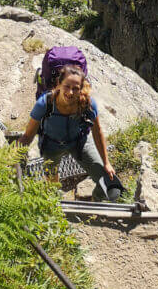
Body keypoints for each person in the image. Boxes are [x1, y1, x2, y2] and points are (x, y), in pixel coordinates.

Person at [19, 63, 122, 200]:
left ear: (81, 89)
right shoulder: (45, 103)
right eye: (67, 86)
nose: (70, 92)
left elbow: (97, 133)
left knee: (108, 181)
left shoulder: (87, 104)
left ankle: (97, 203)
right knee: (52, 188)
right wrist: (13, 155)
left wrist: (106, 163)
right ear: (59, 84)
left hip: (79, 142)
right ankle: (56, 210)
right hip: (51, 145)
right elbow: (28, 135)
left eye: (75, 88)